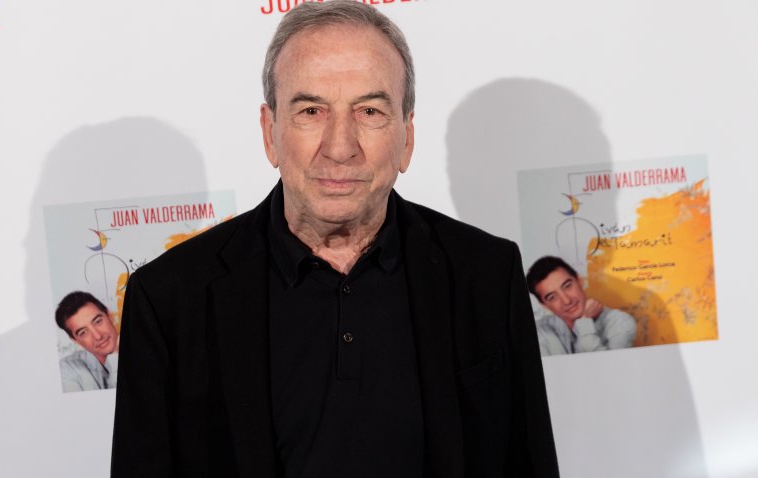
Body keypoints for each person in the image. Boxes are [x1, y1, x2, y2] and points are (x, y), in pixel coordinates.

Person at [111, 2, 559, 476]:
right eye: (310, 110)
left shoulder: (486, 274)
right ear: (270, 133)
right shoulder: (169, 300)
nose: (340, 146)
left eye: (369, 110)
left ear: (406, 137)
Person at [526, 256, 637, 356]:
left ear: (579, 280)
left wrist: (584, 323)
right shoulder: (538, 332)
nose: (566, 300)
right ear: (544, 305)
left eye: (567, 286)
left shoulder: (620, 322)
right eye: (552, 297)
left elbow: (607, 369)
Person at [54, 291, 120, 392]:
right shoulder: (68, 369)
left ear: (109, 315)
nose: (98, 336)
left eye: (98, 321)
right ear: (75, 340)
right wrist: (115, 357)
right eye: (83, 332)